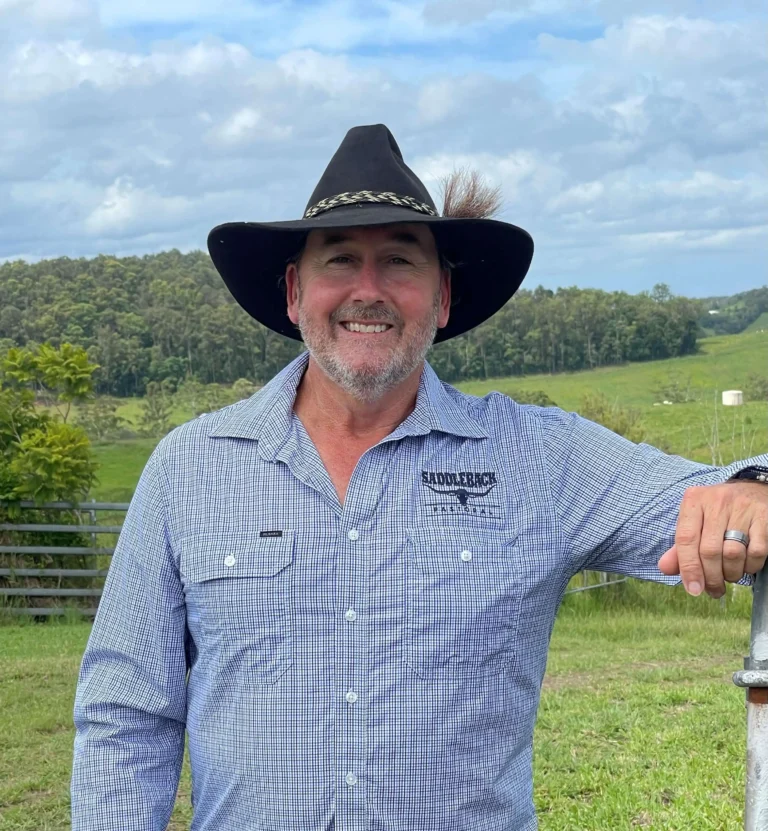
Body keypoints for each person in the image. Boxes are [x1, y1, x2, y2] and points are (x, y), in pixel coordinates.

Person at [71, 124, 768, 830]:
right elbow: (126, 713)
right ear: (293, 291)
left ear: (441, 298)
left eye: (399, 261)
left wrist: (752, 488)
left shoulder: (539, 458)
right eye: (340, 259)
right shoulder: (190, 466)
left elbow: (720, 499)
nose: (367, 290)